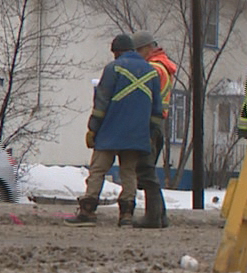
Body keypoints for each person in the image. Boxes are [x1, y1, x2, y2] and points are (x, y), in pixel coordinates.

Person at [65, 34, 164, 228]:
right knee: (129, 173)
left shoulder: (113, 69)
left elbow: (101, 102)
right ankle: (126, 215)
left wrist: (93, 128)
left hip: (110, 131)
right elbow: (156, 109)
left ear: (117, 52)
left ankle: (88, 211)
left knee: (98, 170)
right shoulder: (151, 73)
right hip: (137, 134)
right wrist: (150, 133)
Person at [133, 31, 179, 227]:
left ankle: (153, 217)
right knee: (148, 169)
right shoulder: (163, 67)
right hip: (158, 123)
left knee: (145, 170)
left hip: (149, 123)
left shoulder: (153, 69)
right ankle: (160, 216)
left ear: (146, 48)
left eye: (137, 51)